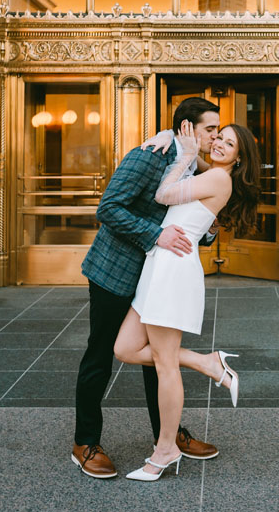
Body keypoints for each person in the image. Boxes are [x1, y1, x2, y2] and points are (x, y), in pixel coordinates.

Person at [71, 97, 223, 479]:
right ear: (187, 127)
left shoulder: (194, 165)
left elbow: (185, 220)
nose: (215, 137)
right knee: (100, 356)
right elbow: (108, 208)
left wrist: (208, 229)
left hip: (155, 276)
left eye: (219, 131)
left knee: (159, 358)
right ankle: (84, 442)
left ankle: (167, 440)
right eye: (210, 129)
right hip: (114, 273)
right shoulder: (148, 155)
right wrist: (156, 235)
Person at [112, 121, 262, 482]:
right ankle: (209, 363)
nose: (222, 145)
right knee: (125, 348)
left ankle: (165, 450)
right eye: (220, 138)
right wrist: (173, 143)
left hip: (174, 271)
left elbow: (164, 195)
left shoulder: (219, 179)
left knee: (165, 365)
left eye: (230, 143)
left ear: (240, 157)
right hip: (159, 266)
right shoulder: (210, 173)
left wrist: (187, 156)